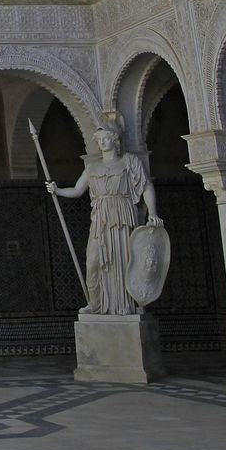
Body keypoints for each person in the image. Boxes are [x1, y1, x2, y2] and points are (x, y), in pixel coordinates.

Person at [47, 121, 163, 315]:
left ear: (115, 140)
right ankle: (96, 304)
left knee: (126, 260)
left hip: (123, 213)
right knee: (93, 262)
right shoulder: (92, 167)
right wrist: (56, 190)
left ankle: (131, 304)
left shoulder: (129, 161)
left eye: (106, 138)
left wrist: (152, 213)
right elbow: (77, 190)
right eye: (99, 139)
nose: (102, 142)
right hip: (100, 218)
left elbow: (146, 187)